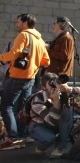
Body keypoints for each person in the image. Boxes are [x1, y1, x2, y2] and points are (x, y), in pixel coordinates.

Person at [0, 13, 50, 141]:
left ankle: (12, 136)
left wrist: (1, 58)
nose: (17, 25)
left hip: (18, 76)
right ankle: (22, 135)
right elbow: (46, 61)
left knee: (6, 105)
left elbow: (14, 54)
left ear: (25, 23)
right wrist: (34, 62)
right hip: (31, 78)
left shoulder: (23, 35)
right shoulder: (40, 40)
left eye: (18, 22)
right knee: (23, 108)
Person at [29, 72, 80, 158]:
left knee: (67, 112)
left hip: (54, 125)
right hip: (39, 125)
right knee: (48, 138)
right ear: (44, 87)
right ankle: (40, 146)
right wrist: (56, 103)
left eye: (56, 82)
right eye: (51, 84)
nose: (54, 86)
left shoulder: (61, 91)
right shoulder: (38, 98)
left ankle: (59, 148)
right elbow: (52, 121)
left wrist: (69, 89)